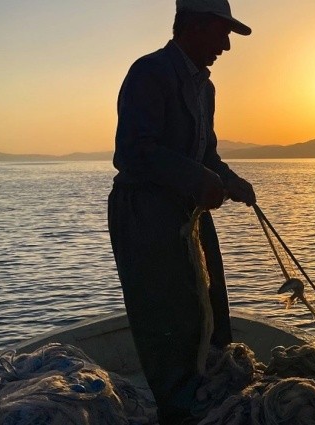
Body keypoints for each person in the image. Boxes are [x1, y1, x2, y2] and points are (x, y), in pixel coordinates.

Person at [107, 1, 255, 424]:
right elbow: (133, 152)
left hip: (187, 212)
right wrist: (198, 178)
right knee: (164, 314)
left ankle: (210, 395)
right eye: (221, 33)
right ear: (191, 27)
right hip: (145, 212)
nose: (226, 46)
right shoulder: (149, 72)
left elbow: (205, 153)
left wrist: (229, 179)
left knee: (210, 303)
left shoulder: (205, 88)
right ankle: (178, 411)